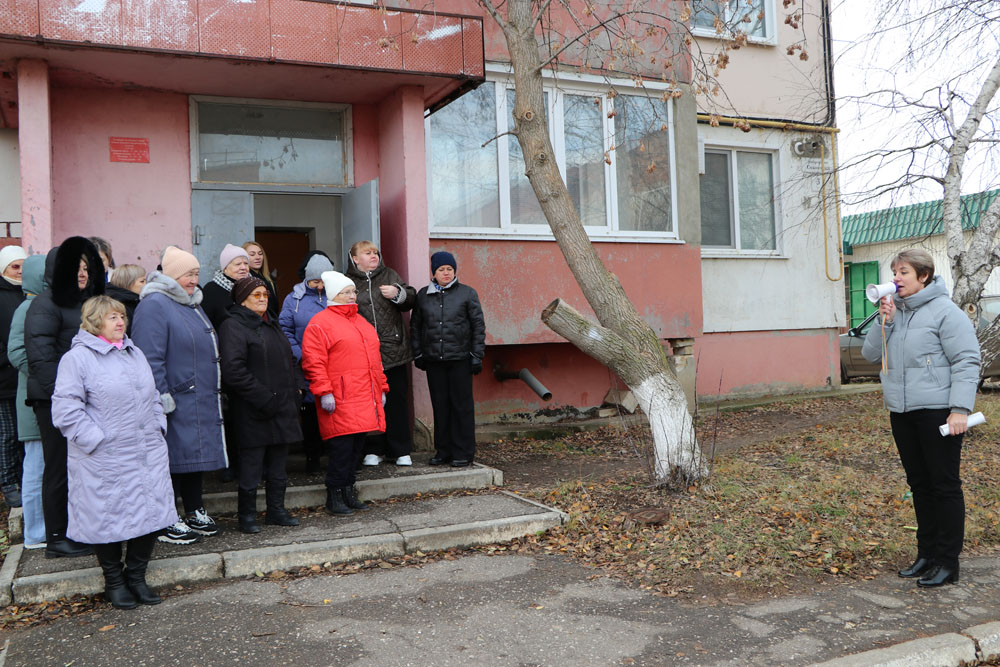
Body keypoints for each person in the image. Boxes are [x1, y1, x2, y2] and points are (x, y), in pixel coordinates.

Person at [862, 249, 981, 588]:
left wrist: (960, 409)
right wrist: (884, 323)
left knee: (944, 486)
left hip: (938, 413)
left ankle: (947, 562)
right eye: (895, 272)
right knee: (920, 486)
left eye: (904, 272)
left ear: (924, 276)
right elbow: (870, 355)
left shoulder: (946, 312)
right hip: (902, 412)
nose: (896, 278)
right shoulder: (895, 311)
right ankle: (926, 555)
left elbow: (967, 360)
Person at [51, 296, 175, 609]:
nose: (120, 322)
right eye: (112, 317)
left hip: (146, 451)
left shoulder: (134, 352)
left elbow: (153, 396)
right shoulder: (77, 359)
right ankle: (115, 582)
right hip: (104, 457)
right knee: (107, 517)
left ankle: (137, 577)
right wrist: (96, 440)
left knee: (150, 513)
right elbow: (66, 410)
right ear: (95, 322)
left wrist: (158, 425)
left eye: (122, 316)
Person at [132, 247, 227, 545]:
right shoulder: (155, 305)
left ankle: (194, 509)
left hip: (195, 396)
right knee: (169, 458)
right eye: (188, 274)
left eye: (197, 273)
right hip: (173, 397)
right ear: (172, 275)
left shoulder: (191, 303)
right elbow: (149, 356)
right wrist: (161, 396)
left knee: (191, 455)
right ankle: (166, 517)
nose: (194, 279)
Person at [25, 237, 104, 559]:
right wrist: (67, 400)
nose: (82, 273)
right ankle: (57, 537)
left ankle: (80, 529)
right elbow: (41, 359)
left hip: (87, 401)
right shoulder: (45, 304)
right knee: (58, 468)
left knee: (83, 469)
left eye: (86, 267)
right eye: (75, 268)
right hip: (54, 402)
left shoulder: (88, 303)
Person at [219, 276, 302, 534]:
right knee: (251, 466)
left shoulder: (271, 323)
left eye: (265, 294)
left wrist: (297, 388)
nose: (263, 299)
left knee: (278, 465)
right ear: (242, 300)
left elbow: (289, 359)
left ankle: (276, 510)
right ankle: (247, 515)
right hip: (253, 408)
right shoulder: (233, 325)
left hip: (282, 406)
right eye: (256, 295)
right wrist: (264, 398)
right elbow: (233, 371)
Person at [301, 271, 388, 516]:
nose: (352, 296)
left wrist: (381, 387)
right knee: (341, 449)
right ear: (333, 295)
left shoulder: (361, 322)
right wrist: (324, 391)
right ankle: (335, 495)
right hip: (340, 397)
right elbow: (314, 362)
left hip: (363, 396)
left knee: (356, 448)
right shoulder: (320, 323)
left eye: (353, 291)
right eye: (346, 292)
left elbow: (376, 361)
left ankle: (349, 492)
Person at [411, 251, 485, 468]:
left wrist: (476, 355)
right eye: (441, 269)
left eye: (449, 269)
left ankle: (463, 452)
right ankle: (443, 451)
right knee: (440, 406)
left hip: (461, 359)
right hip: (434, 360)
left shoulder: (467, 293)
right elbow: (415, 327)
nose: (446, 273)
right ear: (434, 272)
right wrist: (418, 353)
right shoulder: (423, 295)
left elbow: (478, 326)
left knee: (461, 407)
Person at [346, 241, 417, 467]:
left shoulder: (390, 275)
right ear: (355, 259)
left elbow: (411, 298)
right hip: (364, 354)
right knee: (371, 403)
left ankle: (400, 450)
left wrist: (398, 294)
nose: (374, 256)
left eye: (375, 252)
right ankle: (374, 449)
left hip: (394, 350)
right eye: (367, 253)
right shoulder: (348, 281)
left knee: (396, 401)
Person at [280, 252, 334, 472]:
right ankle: (313, 457)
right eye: (314, 282)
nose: (319, 286)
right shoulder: (293, 299)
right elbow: (285, 329)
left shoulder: (337, 294)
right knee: (310, 412)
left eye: (323, 281)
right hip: (306, 363)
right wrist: (299, 353)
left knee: (335, 411)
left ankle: (336, 457)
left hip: (333, 364)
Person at [8, 254, 46, 548]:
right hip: (34, 400)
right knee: (36, 466)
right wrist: (46, 374)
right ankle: (35, 532)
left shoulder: (43, 305)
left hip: (43, 396)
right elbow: (16, 352)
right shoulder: (26, 308)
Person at [0, 245, 26, 507]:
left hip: (24, 377)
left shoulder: (29, 292)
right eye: (14, 267)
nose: (19, 272)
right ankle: (9, 484)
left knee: (24, 433)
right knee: (8, 434)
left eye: (23, 266)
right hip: (5, 379)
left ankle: (22, 479)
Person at [201, 244, 251, 329]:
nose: (243, 267)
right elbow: (206, 322)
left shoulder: (254, 286)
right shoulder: (212, 289)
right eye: (238, 264)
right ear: (225, 268)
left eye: (246, 263)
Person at [105, 264, 146, 336]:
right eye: (142, 281)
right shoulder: (119, 306)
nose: (146, 284)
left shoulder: (134, 300)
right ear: (128, 283)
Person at [243, 241, 278, 321]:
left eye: (260, 254)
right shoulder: (245, 280)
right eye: (252, 254)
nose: (258, 257)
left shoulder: (268, 279)